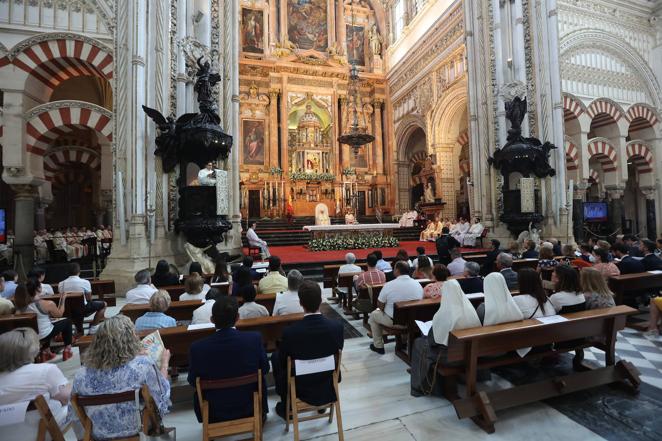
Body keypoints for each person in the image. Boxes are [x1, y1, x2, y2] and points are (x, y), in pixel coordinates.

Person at [73, 315, 171, 440]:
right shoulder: (142, 365)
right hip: (139, 430)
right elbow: (161, 398)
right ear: (131, 340)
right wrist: (164, 364)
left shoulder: (81, 375)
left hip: (98, 434)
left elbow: (75, 415)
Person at [188, 296, 269, 422]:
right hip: (250, 405)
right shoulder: (254, 339)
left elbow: (193, 381)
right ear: (237, 317)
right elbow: (265, 368)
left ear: (212, 320)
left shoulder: (197, 348)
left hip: (213, 411)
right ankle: (262, 413)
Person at [272, 281, 344, 419]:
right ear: (321, 300)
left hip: (301, 382)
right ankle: (322, 401)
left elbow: (283, 361)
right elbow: (337, 351)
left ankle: (287, 403)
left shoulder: (290, 332)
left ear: (300, 303)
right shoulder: (337, 327)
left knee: (277, 358)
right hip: (327, 379)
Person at [409, 280, 481, 396]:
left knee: (419, 343)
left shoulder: (443, 314)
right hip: (472, 354)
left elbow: (434, 341)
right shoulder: (470, 309)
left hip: (450, 358)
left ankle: (420, 387)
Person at [0, 328, 72, 440]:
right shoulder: (46, 370)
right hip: (41, 432)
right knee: (76, 405)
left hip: (6, 436)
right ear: (32, 349)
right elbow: (68, 398)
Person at [368, 261, 424, 354]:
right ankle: (403, 342)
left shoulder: (389, 285)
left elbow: (380, 305)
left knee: (374, 315)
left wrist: (385, 309)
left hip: (395, 321)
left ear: (397, 270)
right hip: (413, 319)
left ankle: (378, 346)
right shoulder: (417, 284)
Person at [14, 281, 74, 361]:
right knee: (67, 322)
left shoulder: (19, 306)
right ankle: (67, 350)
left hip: (30, 335)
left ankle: (46, 352)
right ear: (38, 289)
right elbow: (59, 314)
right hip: (44, 334)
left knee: (45, 325)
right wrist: (63, 300)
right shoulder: (47, 304)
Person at [59, 262, 106, 334]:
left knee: (77, 310)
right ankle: (94, 326)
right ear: (79, 272)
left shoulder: (61, 284)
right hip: (83, 309)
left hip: (68, 310)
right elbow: (89, 298)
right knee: (104, 304)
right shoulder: (85, 282)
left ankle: (78, 328)